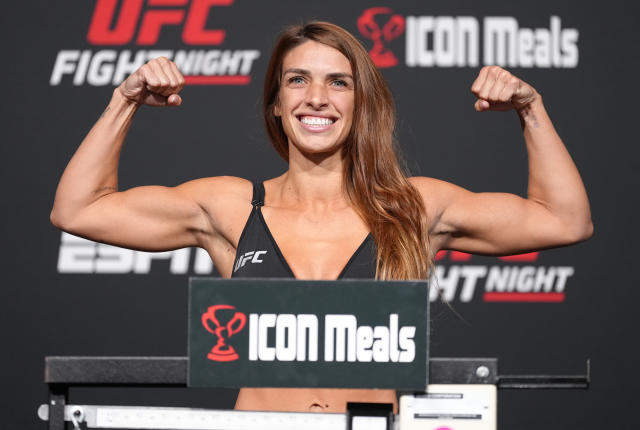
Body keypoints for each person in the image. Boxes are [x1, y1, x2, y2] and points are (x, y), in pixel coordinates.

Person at [50, 21, 592, 413]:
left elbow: (564, 220)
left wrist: (530, 108)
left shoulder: (411, 207)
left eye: (338, 82)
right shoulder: (231, 207)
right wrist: (126, 99)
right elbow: (78, 209)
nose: (316, 98)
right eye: (297, 80)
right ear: (275, 104)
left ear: (362, 103)